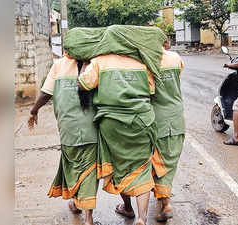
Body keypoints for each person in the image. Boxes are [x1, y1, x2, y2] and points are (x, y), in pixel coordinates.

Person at [78, 53, 157, 225]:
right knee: (142, 168)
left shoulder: (99, 61)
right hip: (141, 120)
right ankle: (142, 218)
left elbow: (83, 84)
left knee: (121, 166)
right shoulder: (141, 61)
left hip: (111, 123)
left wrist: (84, 64)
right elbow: (151, 91)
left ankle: (127, 206)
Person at [28, 53, 98, 225]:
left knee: (73, 167)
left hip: (68, 129)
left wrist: (34, 111)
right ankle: (88, 217)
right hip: (91, 129)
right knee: (90, 171)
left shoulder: (59, 65)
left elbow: (45, 94)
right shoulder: (93, 65)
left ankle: (76, 203)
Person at [148, 42, 185, 221]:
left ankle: (165, 203)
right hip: (177, 116)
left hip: (158, 118)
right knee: (170, 160)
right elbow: (178, 75)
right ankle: (163, 199)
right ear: (166, 43)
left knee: (158, 161)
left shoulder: (148, 62)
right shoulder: (176, 58)